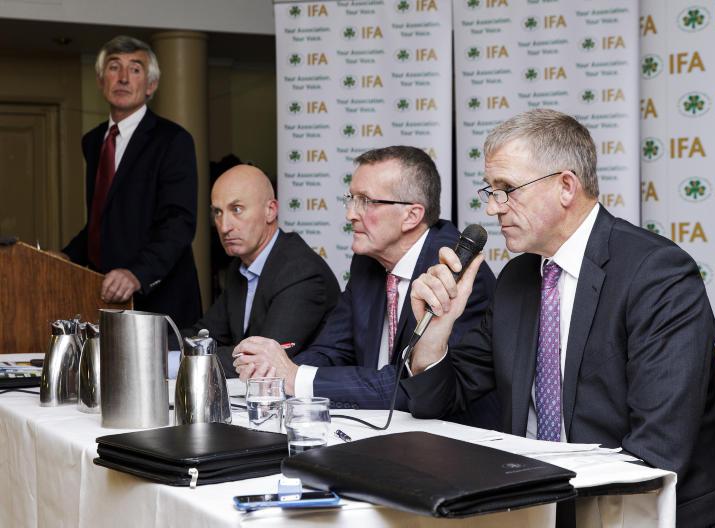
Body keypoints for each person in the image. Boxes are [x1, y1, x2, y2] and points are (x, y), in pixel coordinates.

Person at [402, 109, 715, 527]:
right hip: (539, 509)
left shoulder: (657, 273)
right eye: (490, 190)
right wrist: (436, 332)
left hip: (649, 513)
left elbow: (657, 450)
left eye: (506, 190)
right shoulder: (517, 278)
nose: (491, 207)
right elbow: (435, 402)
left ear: (565, 186)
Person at [232, 146, 500, 428]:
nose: (350, 214)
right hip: (382, 431)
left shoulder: (452, 272)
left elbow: (411, 386)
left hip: (451, 438)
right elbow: (331, 349)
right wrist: (275, 371)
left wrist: (296, 377)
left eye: (366, 201)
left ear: (411, 215)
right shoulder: (367, 262)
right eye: (351, 199)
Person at [62, 35, 200, 327]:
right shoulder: (93, 141)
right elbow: (102, 222)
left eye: (135, 69)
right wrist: (63, 258)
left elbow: (179, 223)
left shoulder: (173, 140)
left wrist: (138, 273)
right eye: (114, 67)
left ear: (151, 85)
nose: (123, 77)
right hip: (105, 300)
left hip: (160, 303)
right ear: (101, 80)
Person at [184, 164, 340, 376]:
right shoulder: (239, 267)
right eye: (218, 212)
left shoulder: (301, 271)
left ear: (270, 210)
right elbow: (205, 334)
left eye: (236, 209)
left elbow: (260, 359)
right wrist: (152, 349)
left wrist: (175, 361)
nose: (224, 226)